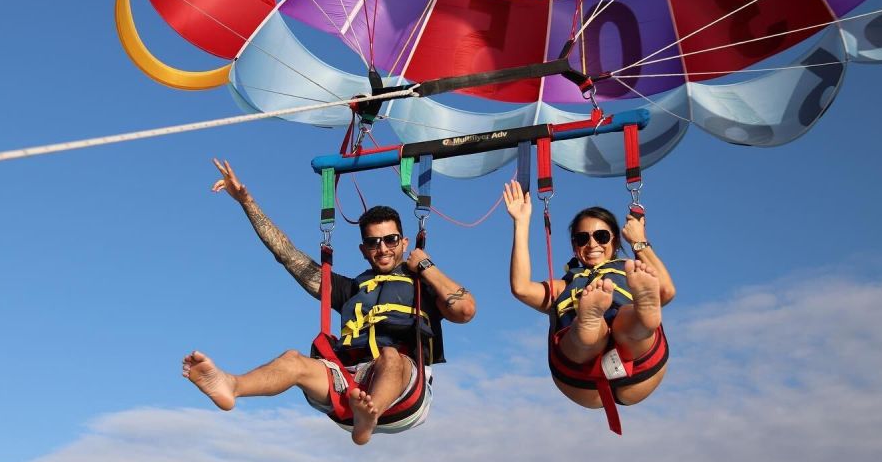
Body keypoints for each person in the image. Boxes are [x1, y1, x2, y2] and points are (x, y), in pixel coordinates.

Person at [183, 159, 476, 445]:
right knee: (293, 360)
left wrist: (426, 266)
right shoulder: (349, 289)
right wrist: (246, 202)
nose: (382, 248)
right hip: (349, 386)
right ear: (363, 249)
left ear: (404, 242)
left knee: (390, 356)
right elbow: (288, 256)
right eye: (373, 242)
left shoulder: (424, 285)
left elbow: (465, 310)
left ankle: (369, 416)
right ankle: (232, 385)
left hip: (403, 390)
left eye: (390, 239)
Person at [502, 180, 675, 429]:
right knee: (589, 334)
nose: (592, 244)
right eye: (582, 238)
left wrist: (639, 240)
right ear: (575, 247)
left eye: (601, 236)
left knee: (626, 319)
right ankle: (589, 321)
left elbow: (666, 292)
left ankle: (640, 317)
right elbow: (520, 288)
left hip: (636, 366)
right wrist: (521, 223)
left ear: (615, 242)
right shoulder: (563, 286)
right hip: (584, 379)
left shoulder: (632, 271)